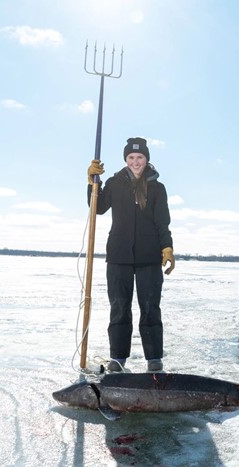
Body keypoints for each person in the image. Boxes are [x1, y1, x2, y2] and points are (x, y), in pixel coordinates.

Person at [87, 137, 175, 372]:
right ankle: (118, 359)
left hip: (149, 258)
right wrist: (92, 183)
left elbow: (162, 222)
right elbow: (97, 208)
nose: (136, 162)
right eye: (131, 158)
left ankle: (154, 359)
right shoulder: (115, 183)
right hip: (118, 257)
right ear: (126, 159)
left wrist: (167, 247)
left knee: (150, 308)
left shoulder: (157, 187)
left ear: (147, 159)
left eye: (140, 158)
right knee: (119, 308)